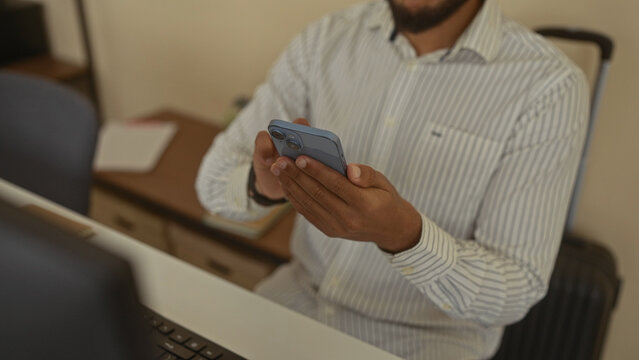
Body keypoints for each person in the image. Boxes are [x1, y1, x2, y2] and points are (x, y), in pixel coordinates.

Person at [196, 0, 589, 358]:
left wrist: (405, 236)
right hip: (292, 304)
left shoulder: (548, 87)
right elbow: (212, 182)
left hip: (423, 343)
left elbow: (513, 291)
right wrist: (263, 187)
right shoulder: (327, 38)